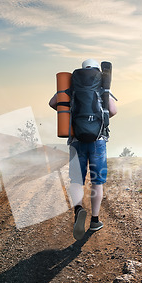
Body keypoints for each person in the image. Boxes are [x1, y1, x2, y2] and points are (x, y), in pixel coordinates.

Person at [49, 58, 117, 240]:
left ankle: (78, 209)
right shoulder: (103, 87)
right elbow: (113, 110)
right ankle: (95, 220)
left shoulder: (73, 86)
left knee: (77, 180)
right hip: (98, 140)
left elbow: (53, 102)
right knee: (97, 181)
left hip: (76, 139)